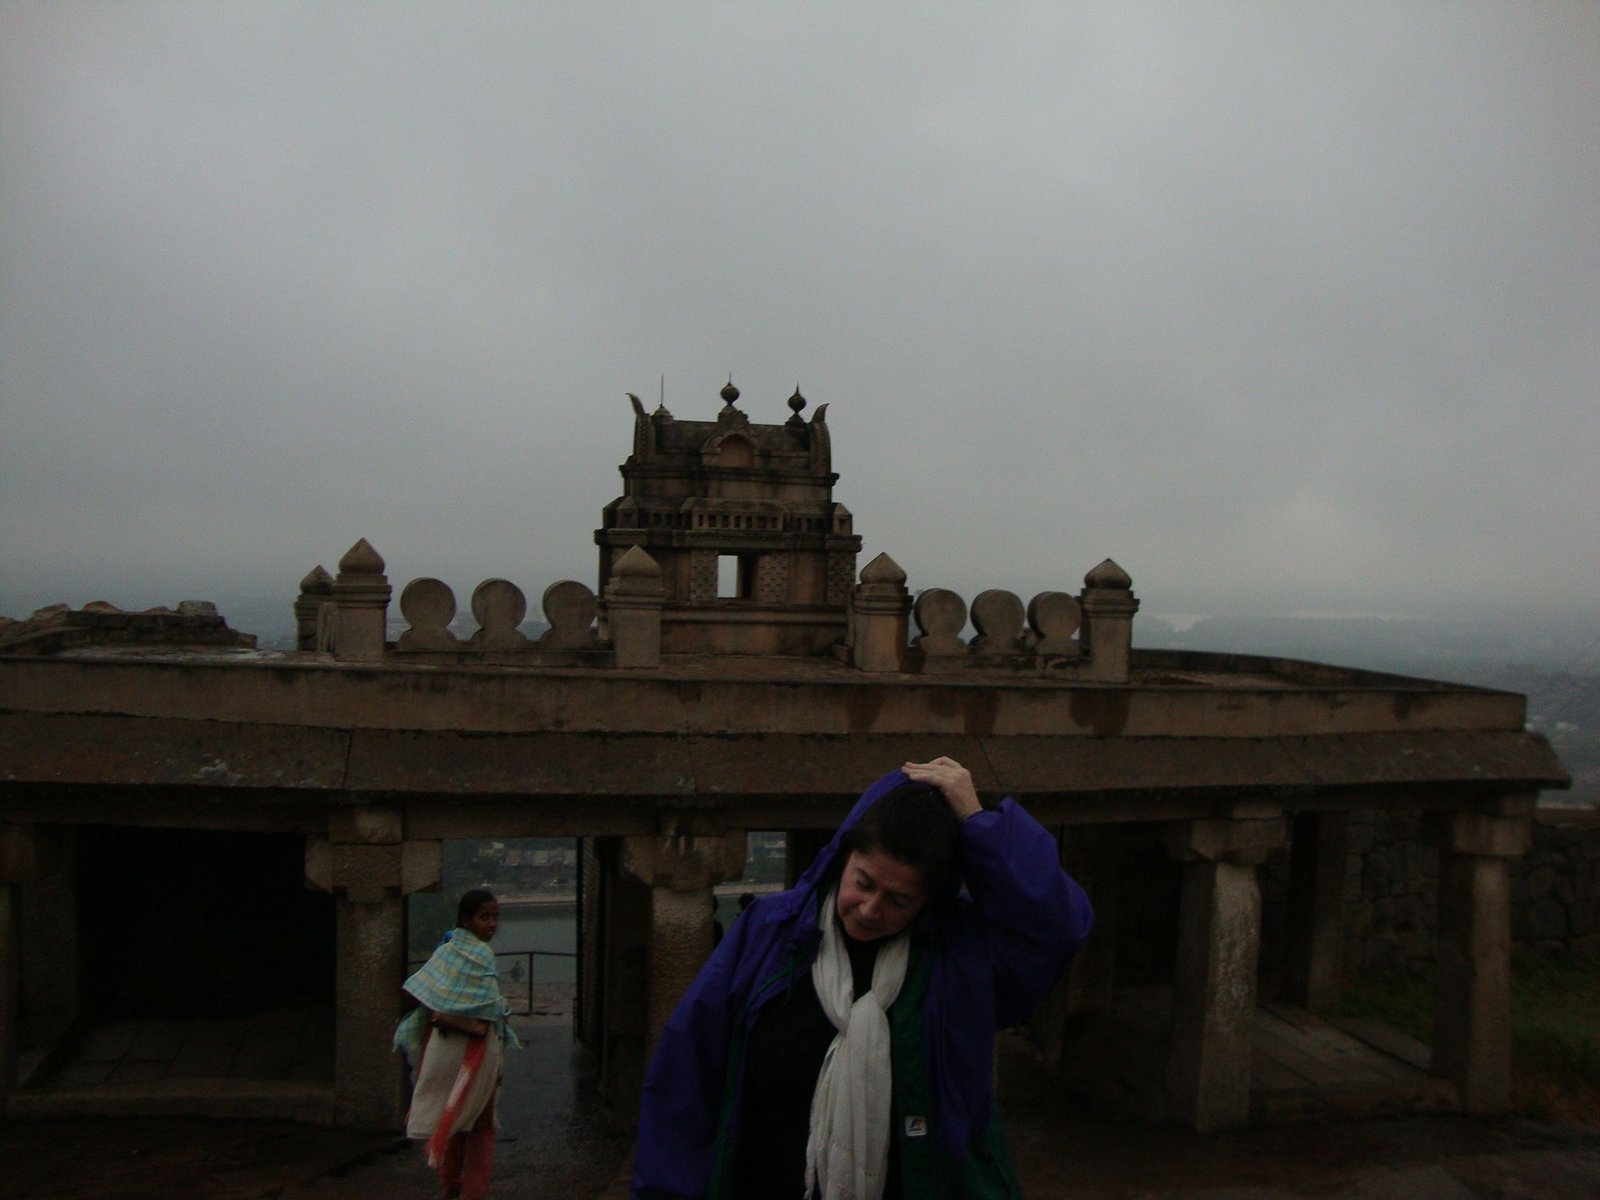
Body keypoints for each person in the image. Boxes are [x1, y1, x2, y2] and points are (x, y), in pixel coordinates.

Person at [632, 756, 1093, 1200]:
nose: (871, 910)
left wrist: (979, 823)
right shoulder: (769, 934)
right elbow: (687, 1077)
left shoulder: (957, 958)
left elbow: (1055, 930)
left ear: (928, 902)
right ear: (843, 858)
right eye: (864, 883)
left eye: (899, 900)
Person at [394, 889, 520, 1200]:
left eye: (495, 917)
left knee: (453, 1118)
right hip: (475, 1050)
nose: (491, 924)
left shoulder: (445, 951)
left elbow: (420, 992)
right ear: (466, 920)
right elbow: (490, 1009)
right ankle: (474, 1193)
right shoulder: (482, 955)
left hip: (443, 1048)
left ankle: (450, 1186)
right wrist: (501, 1009)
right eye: (484, 917)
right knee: (481, 1125)